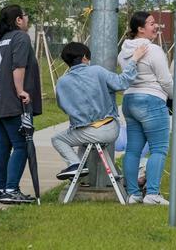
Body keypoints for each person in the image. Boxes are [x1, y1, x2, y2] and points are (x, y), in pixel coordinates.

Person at [51, 42, 140, 180]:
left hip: (86, 130)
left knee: (57, 139)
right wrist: (134, 60)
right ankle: (78, 169)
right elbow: (121, 83)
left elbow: (63, 107)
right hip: (109, 128)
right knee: (82, 138)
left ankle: (75, 165)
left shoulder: (62, 82)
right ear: (85, 58)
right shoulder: (97, 71)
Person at [0, 5, 41, 205]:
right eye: (25, 17)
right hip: (12, 99)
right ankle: (11, 189)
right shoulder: (21, 37)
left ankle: (1, 189)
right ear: (18, 20)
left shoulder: (0, 40)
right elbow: (19, 66)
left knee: (3, 144)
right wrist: (20, 90)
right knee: (21, 145)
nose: (27, 20)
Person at [118, 12, 174, 205]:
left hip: (130, 101)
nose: (156, 26)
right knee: (159, 148)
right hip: (151, 101)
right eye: (151, 23)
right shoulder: (154, 50)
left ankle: (133, 194)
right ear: (140, 29)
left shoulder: (123, 52)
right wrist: (175, 95)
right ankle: (152, 193)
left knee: (133, 150)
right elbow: (165, 80)